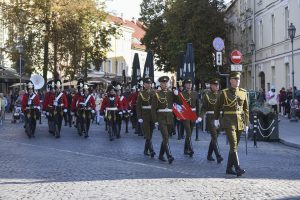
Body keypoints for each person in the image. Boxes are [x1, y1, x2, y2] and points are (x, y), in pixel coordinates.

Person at [214, 72, 249, 177]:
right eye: (235, 79)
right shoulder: (224, 93)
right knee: (233, 144)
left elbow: (246, 109)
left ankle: (229, 168)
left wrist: (247, 123)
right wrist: (216, 119)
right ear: (230, 81)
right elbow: (217, 106)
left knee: (234, 147)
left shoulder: (243, 93)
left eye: (238, 79)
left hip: (240, 122)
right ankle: (237, 168)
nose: (237, 81)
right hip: (228, 121)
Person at [151, 76, 181, 164]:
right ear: (160, 84)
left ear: (168, 84)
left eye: (166, 83)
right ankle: (169, 156)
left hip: (170, 117)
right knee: (165, 136)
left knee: (166, 138)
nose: (164, 84)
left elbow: (180, 103)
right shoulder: (157, 94)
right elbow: (153, 109)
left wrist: (177, 94)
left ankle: (160, 155)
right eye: (163, 83)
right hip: (161, 118)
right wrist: (155, 120)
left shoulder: (171, 93)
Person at [200, 78, 223, 163]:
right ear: (211, 86)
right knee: (214, 136)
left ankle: (209, 155)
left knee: (215, 137)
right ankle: (218, 156)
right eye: (214, 85)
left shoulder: (221, 94)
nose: (216, 86)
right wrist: (201, 116)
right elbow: (204, 108)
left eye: (217, 85)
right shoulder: (207, 95)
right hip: (211, 117)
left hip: (219, 118)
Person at [180, 77, 201, 157]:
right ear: (185, 85)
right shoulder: (182, 94)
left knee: (190, 133)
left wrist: (198, 116)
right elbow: (179, 105)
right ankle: (190, 149)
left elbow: (197, 105)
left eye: (190, 83)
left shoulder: (195, 93)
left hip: (193, 114)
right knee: (188, 131)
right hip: (185, 114)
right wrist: (180, 115)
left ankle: (185, 149)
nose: (189, 85)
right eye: (188, 84)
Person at [137, 77, 155, 158]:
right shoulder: (141, 93)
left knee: (150, 134)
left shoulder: (154, 92)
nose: (149, 85)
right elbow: (138, 106)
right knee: (147, 133)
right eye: (147, 83)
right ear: (144, 85)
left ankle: (145, 150)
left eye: (150, 83)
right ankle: (151, 150)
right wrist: (139, 117)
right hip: (145, 115)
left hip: (152, 115)